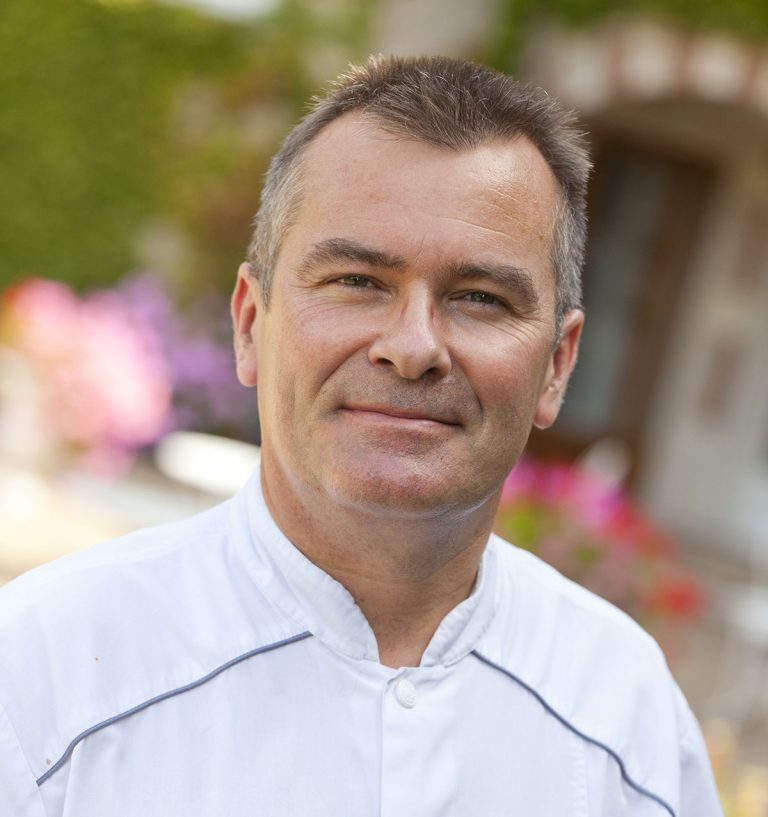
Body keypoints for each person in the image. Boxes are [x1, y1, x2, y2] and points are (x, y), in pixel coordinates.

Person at [0, 55, 722, 816]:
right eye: (357, 281)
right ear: (251, 323)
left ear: (557, 366)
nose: (413, 346)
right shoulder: (47, 672)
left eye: (479, 297)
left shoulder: (623, 720)